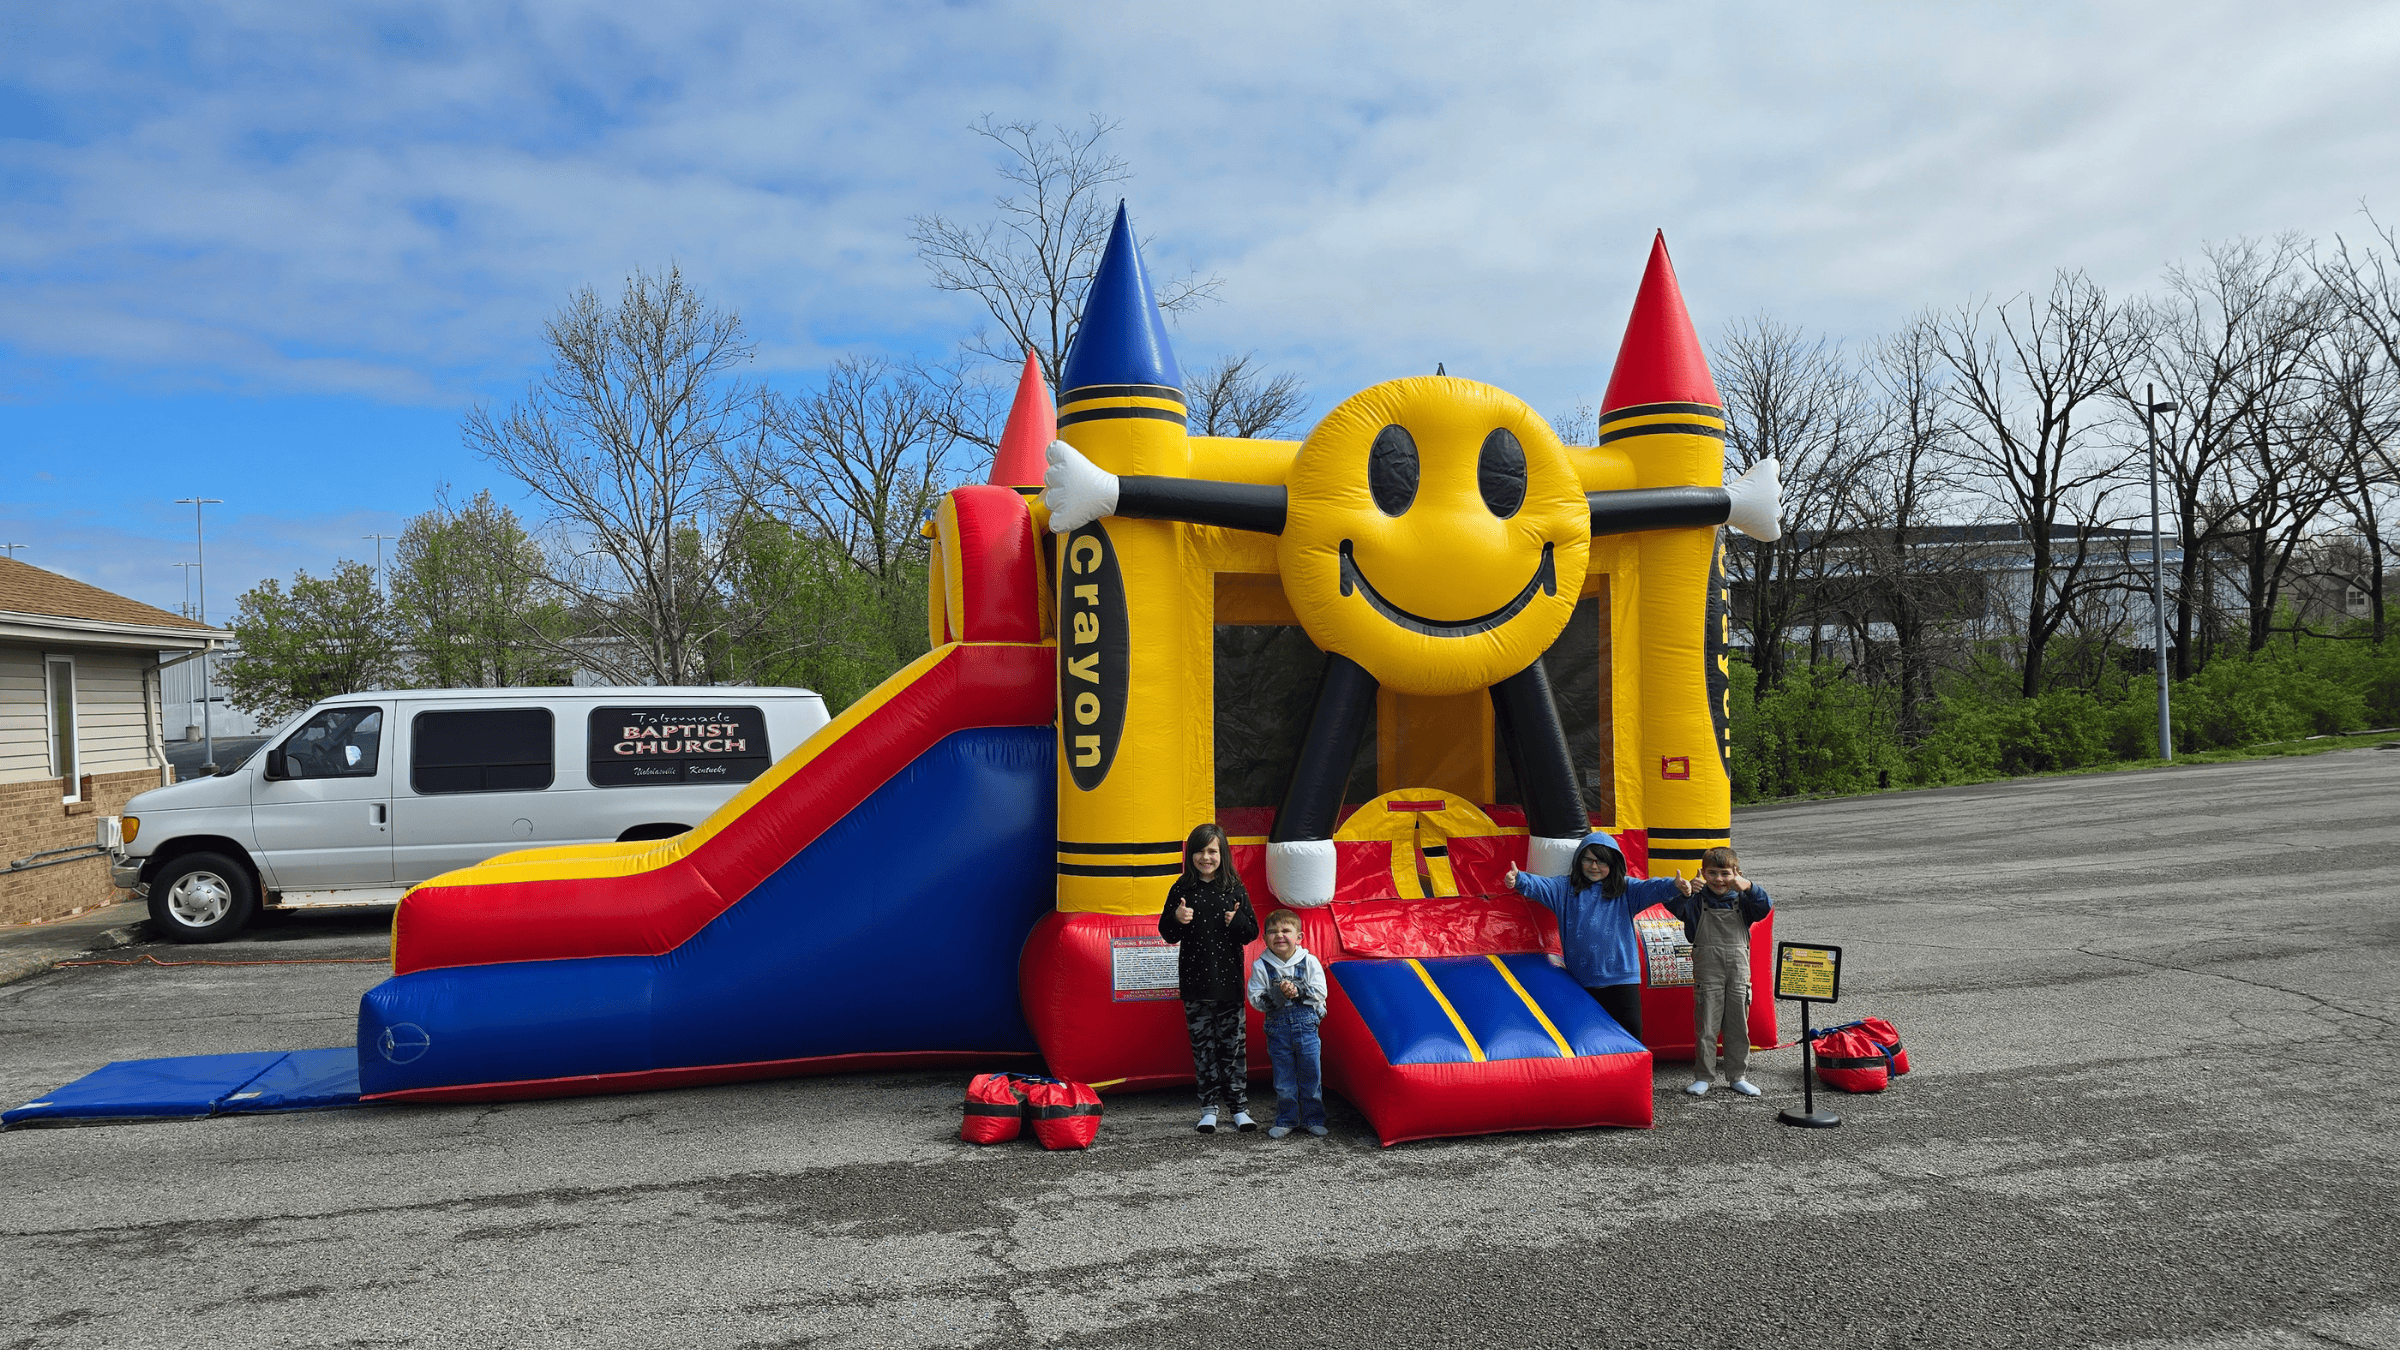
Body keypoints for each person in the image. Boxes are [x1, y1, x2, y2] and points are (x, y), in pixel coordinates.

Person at [1505, 831, 1680, 1041]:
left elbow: (1652, 888)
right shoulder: (1564, 889)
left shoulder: (1626, 890)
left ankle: (1629, 1074)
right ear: (1579, 860)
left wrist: (1674, 885)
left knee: (1630, 1035)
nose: (1594, 866)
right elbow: (1541, 886)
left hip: (1621, 979)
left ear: (1613, 863)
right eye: (1588, 860)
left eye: (1601, 862)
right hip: (1582, 979)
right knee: (1587, 1039)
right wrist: (1519, 879)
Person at [1158, 822, 1260, 1133]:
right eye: (1200, 851)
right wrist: (1177, 918)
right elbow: (1167, 933)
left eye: (1212, 851)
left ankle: (1239, 1107)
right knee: (1203, 1049)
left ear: (1223, 854)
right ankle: (1209, 1108)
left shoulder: (1234, 887)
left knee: (1233, 1048)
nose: (1206, 857)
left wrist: (1237, 920)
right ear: (1191, 855)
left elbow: (1252, 932)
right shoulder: (1181, 888)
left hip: (1228, 984)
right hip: (1195, 985)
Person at [1661, 845, 1773, 1098]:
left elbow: (1764, 906)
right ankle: (1703, 1077)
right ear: (1703, 873)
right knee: (1707, 1027)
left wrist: (1750, 887)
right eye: (1712, 873)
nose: (1719, 880)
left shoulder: (1745, 901)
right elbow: (1671, 906)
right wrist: (1683, 892)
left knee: (1737, 1027)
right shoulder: (1695, 901)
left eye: (1725, 873)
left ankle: (1737, 1076)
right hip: (1707, 972)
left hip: (1738, 972)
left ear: (1737, 873)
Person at [1245, 908, 1329, 1139]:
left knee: (1311, 1075)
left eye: (1286, 930)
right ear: (1264, 938)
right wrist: (1278, 994)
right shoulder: (1262, 966)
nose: (1279, 935)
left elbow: (1321, 992)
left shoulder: (1309, 961)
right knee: (1284, 1080)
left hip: (1307, 1028)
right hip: (1277, 1030)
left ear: (1299, 937)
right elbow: (1255, 999)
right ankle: (1287, 1119)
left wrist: (1297, 990)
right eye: (1272, 932)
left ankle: (1313, 1118)